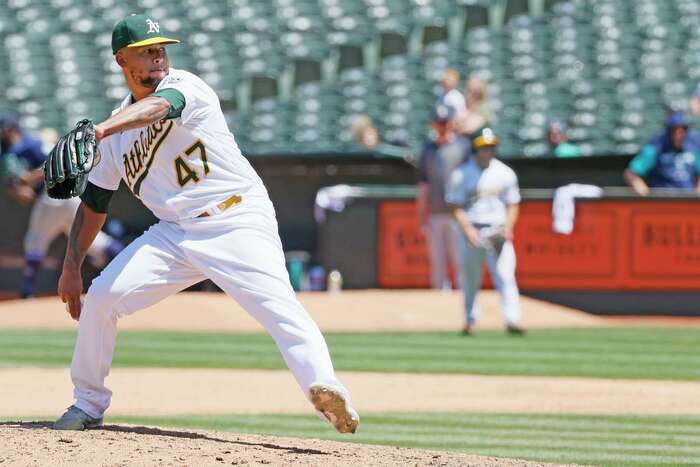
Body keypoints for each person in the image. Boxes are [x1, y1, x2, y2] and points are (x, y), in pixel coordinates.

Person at [51, 14, 358, 434]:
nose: (159, 56)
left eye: (161, 48)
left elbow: (162, 108)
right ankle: (87, 404)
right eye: (147, 51)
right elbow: (94, 205)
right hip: (175, 232)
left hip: (235, 217)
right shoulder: (117, 134)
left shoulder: (184, 87)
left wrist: (100, 131)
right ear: (122, 60)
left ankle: (325, 386)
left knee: (279, 306)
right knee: (103, 297)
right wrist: (71, 268)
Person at [0, 116, 123, 298]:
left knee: (35, 241)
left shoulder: (32, 144)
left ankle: (27, 292)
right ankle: (125, 264)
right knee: (94, 241)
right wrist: (19, 190)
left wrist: (29, 179)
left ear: (11, 129)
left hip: (56, 194)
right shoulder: (6, 152)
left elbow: (59, 162)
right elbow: (15, 186)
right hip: (64, 197)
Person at [446, 128, 524, 335]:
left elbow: (513, 204)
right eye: (483, 147)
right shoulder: (461, 174)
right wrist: (468, 230)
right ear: (475, 148)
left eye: (490, 147)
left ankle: (512, 320)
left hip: (497, 229)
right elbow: (454, 205)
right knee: (470, 279)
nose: (487, 151)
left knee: (505, 276)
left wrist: (507, 228)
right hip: (473, 230)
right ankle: (470, 320)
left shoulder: (505, 172)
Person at [417, 104, 471, 289]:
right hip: (435, 214)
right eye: (439, 122)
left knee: (461, 262)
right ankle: (439, 310)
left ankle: (466, 304)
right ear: (433, 124)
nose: (442, 125)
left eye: (445, 121)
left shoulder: (463, 147)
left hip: (459, 214)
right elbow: (424, 185)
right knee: (437, 265)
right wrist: (421, 216)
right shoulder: (429, 149)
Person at [624, 112, 700, 195]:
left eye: (683, 129)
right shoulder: (657, 147)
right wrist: (645, 194)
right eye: (675, 130)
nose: (679, 135)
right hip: (663, 201)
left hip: (688, 201)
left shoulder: (694, 147)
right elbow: (631, 173)